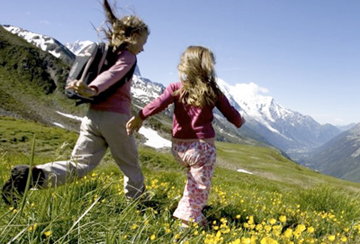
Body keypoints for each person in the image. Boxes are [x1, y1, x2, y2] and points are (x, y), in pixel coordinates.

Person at [2, 0, 150, 206]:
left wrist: (90, 90)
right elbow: (113, 74)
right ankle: (139, 205)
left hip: (92, 117)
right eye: (143, 42)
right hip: (116, 120)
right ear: (133, 37)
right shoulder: (128, 57)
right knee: (130, 166)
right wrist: (93, 88)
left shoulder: (106, 53)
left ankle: (29, 176)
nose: (143, 48)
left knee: (79, 165)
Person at [126, 46, 245, 228]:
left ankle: (198, 220)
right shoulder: (213, 91)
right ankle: (186, 224)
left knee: (193, 183)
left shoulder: (176, 88)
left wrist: (140, 117)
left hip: (179, 149)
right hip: (202, 150)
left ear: (185, 66)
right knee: (199, 188)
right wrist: (239, 121)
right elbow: (231, 114)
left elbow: (158, 104)